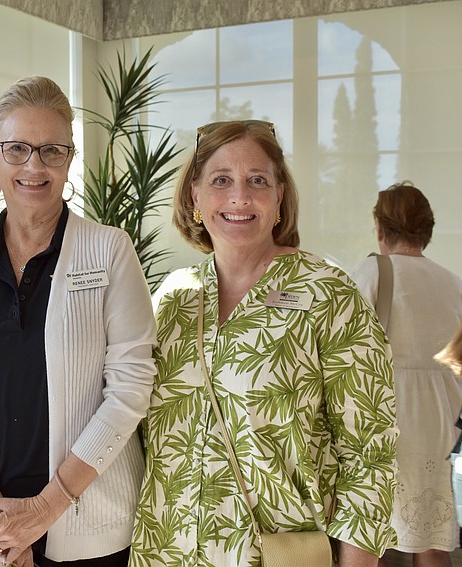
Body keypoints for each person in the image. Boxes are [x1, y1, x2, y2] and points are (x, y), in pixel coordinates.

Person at [0, 76, 157, 567]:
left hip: (90, 528)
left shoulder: (109, 250)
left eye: (51, 151)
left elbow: (130, 386)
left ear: (69, 159)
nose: (34, 166)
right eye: (17, 148)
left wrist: (47, 508)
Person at [129, 120, 399, 567]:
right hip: (165, 552)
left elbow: (370, 452)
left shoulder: (326, 293)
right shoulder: (171, 299)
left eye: (257, 180)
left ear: (278, 198)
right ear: (195, 195)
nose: (239, 197)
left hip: (276, 555)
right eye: (221, 181)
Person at [351, 181, 462, 567]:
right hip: (443, 419)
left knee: (370, 537)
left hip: (387, 415)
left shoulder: (370, 272)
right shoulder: (454, 283)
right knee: (432, 540)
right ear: (426, 230)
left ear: (380, 229)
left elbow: (342, 347)